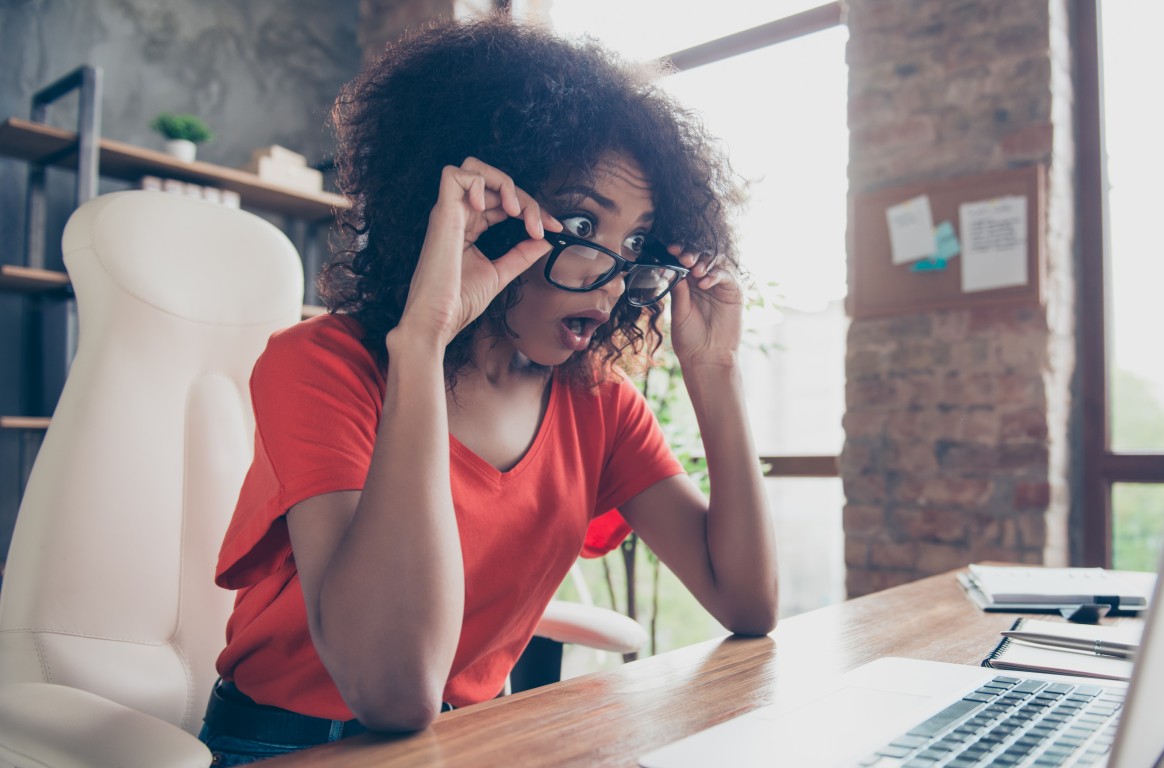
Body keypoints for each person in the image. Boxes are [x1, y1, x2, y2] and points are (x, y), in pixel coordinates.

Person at [198, 14, 778, 765]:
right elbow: (394, 692)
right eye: (579, 222)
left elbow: (747, 602)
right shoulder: (322, 367)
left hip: (473, 742)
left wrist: (715, 372)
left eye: (635, 243)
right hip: (287, 748)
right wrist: (425, 339)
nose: (611, 281)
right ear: (486, 215)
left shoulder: (599, 405)